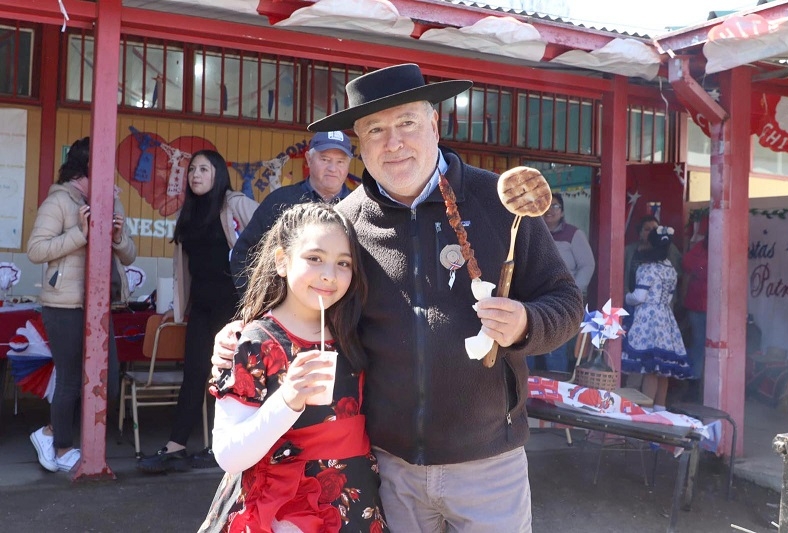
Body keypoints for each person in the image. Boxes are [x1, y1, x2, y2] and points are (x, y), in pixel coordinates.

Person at [213, 63, 584, 531]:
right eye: (375, 130)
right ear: (359, 144)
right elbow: (308, 303)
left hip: (490, 462)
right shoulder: (345, 221)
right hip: (389, 466)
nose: (393, 143)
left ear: (433, 123)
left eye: (406, 123)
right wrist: (242, 337)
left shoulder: (498, 201)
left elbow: (566, 302)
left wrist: (527, 323)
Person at [199, 202, 388, 532]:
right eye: (314, 258)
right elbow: (228, 455)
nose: (329, 273)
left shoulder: (354, 335)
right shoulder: (255, 341)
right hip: (281, 511)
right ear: (282, 261)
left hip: (354, 501)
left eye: (343, 263)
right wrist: (287, 401)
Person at [137, 150, 258, 474]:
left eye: (204, 169)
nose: (196, 175)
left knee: (235, 378)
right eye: (192, 170)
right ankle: (176, 447)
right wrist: (178, 304)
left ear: (218, 173)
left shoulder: (236, 204)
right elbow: (184, 269)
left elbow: (270, 239)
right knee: (194, 374)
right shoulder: (189, 212)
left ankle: (228, 447)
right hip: (202, 306)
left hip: (236, 307)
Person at [27, 136, 137, 473]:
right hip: (64, 304)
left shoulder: (107, 200)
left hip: (100, 304)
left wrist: (118, 237)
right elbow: (36, 250)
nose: (111, 178)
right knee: (72, 380)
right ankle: (61, 446)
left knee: (111, 379)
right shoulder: (59, 201)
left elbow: (130, 253)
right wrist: (82, 233)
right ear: (85, 170)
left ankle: (47, 432)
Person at [230, 131, 354, 295]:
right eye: (325, 159)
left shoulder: (357, 206)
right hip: (285, 312)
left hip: (342, 314)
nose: (333, 168)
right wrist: (258, 303)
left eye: (340, 162)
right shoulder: (281, 200)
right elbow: (243, 253)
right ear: (309, 159)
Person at [621, 225, 692, 411]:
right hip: (665, 316)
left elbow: (638, 297)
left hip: (647, 317)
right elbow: (669, 297)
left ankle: (646, 408)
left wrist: (625, 297)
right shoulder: (670, 269)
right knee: (663, 369)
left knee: (651, 367)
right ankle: (660, 408)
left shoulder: (647, 269)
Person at [533, 192, 595, 372]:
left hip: (561, 300)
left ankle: (555, 395)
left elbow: (587, 265)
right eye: (545, 205)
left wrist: (574, 290)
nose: (550, 210)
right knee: (529, 347)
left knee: (555, 347)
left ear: (562, 212)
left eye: (555, 206)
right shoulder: (533, 232)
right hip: (534, 298)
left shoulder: (573, 234)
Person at [624, 214, 682, 295]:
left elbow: (677, 273)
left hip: (659, 301)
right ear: (640, 233)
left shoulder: (669, 249)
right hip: (631, 299)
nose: (652, 232)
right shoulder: (629, 250)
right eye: (647, 229)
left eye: (655, 229)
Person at [682, 234, 708, 402]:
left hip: (713, 306)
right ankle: (695, 385)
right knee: (699, 345)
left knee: (700, 346)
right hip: (698, 306)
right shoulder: (700, 248)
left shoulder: (700, 247)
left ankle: (698, 385)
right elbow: (687, 269)